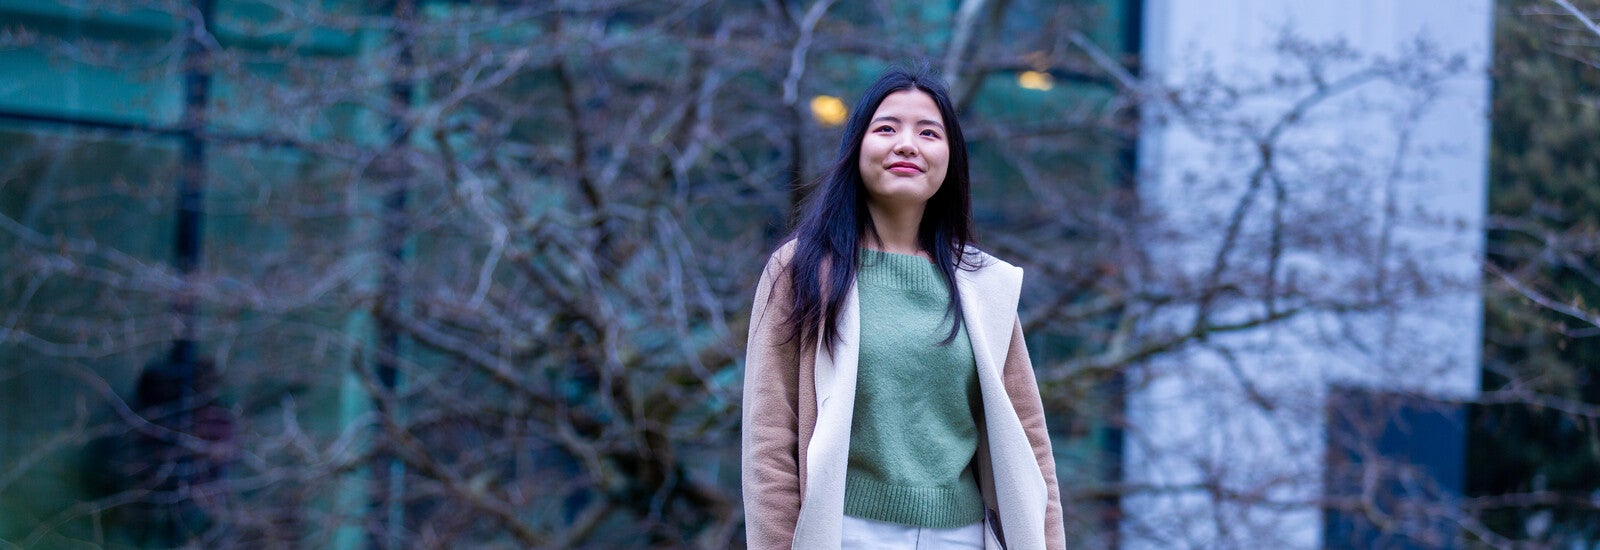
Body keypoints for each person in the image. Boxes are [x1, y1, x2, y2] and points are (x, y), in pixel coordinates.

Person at [741, 67, 1065, 549]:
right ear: (856, 148)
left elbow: (1030, 444)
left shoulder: (984, 284)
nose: (907, 145)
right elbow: (769, 440)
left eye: (928, 132)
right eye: (887, 128)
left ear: (950, 158)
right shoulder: (802, 269)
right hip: (843, 532)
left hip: (963, 538)